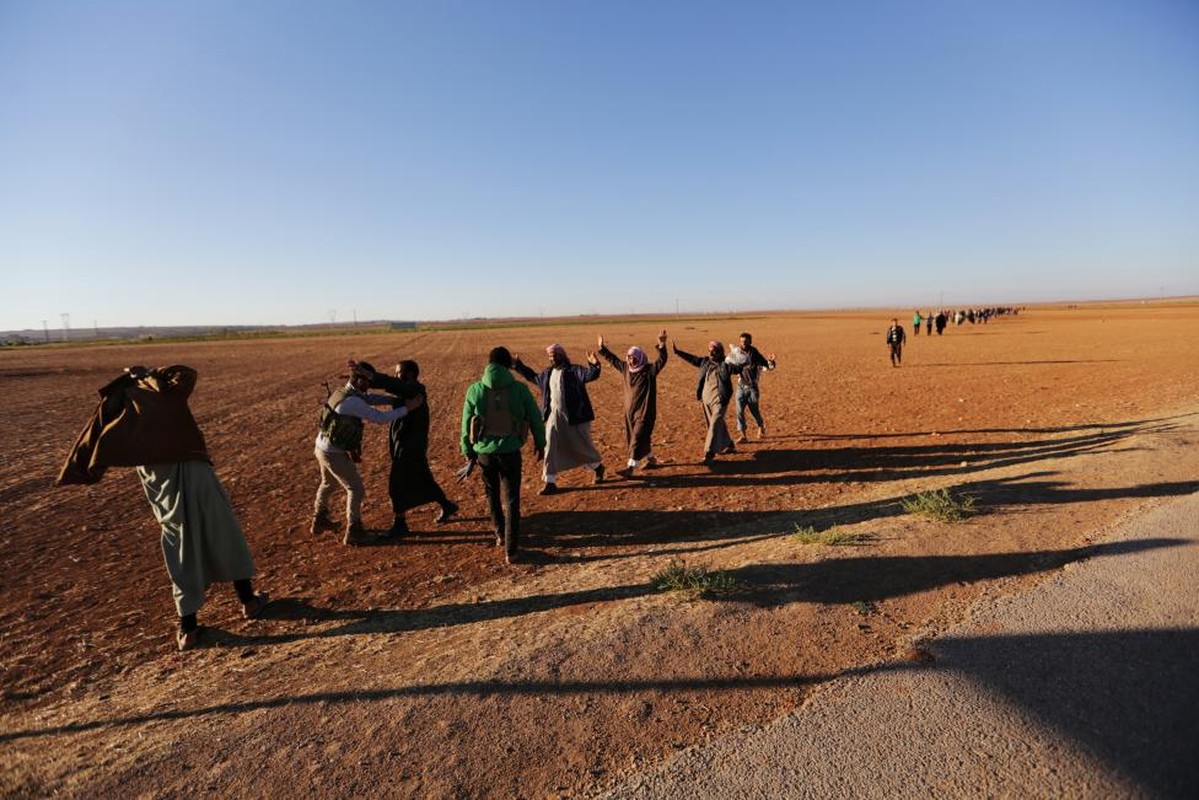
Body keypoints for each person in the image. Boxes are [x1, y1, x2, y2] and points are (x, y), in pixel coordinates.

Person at [57, 364, 268, 651]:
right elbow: (187, 373)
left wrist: (81, 470)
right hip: (196, 474)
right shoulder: (169, 394)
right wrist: (151, 373)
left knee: (179, 545)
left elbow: (92, 436)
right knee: (223, 533)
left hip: (162, 485)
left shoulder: (121, 406)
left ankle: (188, 627)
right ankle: (248, 602)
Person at [312, 361, 424, 546]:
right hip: (333, 452)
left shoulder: (343, 392)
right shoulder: (353, 401)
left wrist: (393, 400)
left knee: (327, 483)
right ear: (358, 380)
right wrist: (407, 408)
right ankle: (354, 531)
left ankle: (319, 519)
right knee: (355, 489)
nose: (370, 385)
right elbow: (379, 418)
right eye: (367, 381)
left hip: (321, 447)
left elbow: (370, 398)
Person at [460, 347, 546, 564]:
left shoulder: (474, 390)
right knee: (512, 499)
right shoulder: (519, 389)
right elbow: (535, 417)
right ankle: (512, 550)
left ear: (489, 364)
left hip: (484, 454)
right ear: (508, 365)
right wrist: (540, 442)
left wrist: (468, 452)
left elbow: (465, 424)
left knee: (492, 494)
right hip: (510, 451)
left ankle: (499, 534)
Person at [355, 359, 459, 538]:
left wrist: (370, 375)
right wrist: (360, 379)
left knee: (396, 485)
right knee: (424, 478)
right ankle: (447, 505)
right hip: (411, 447)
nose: (396, 376)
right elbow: (389, 389)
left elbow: (393, 385)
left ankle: (400, 523)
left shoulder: (415, 391)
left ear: (410, 374)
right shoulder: (407, 393)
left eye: (398, 372)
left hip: (408, 448)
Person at [512, 344, 604, 494]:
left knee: (580, 447)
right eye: (550, 356)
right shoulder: (548, 373)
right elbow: (533, 377)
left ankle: (597, 467)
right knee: (550, 446)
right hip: (553, 417)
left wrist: (594, 365)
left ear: (562, 355)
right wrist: (518, 365)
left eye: (555, 355)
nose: (552, 358)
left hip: (574, 417)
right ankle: (550, 482)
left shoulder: (574, 371)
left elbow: (590, 375)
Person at [597, 329, 669, 478]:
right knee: (641, 437)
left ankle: (630, 467)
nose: (631, 360)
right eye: (629, 358)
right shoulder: (625, 369)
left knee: (637, 438)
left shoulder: (649, 371)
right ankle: (651, 459)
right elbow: (613, 359)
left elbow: (662, 361)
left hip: (645, 411)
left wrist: (662, 345)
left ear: (641, 357)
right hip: (630, 411)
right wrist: (602, 349)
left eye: (634, 358)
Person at [672, 340, 744, 462]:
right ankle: (729, 444)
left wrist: (739, 357)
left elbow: (737, 369)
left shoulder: (726, 363)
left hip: (720, 399)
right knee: (716, 423)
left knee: (715, 424)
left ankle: (709, 453)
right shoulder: (705, 362)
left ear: (720, 352)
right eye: (710, 351)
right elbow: (693, 359)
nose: (711, 353)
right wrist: (678, 352)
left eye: (714, 351)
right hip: (706, 399)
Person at [730, 331, 776, 443]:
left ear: (750, 342)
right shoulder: (737, 352)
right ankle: (743, 436)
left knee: (754, 411)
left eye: (745, 341)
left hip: (752, 388)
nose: (743, 343)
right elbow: (729, 364)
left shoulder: (755, 353)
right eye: (741, 341)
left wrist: (771, 361)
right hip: (741, 386)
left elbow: (768, 366)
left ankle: (761, 426)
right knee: (739, 411)